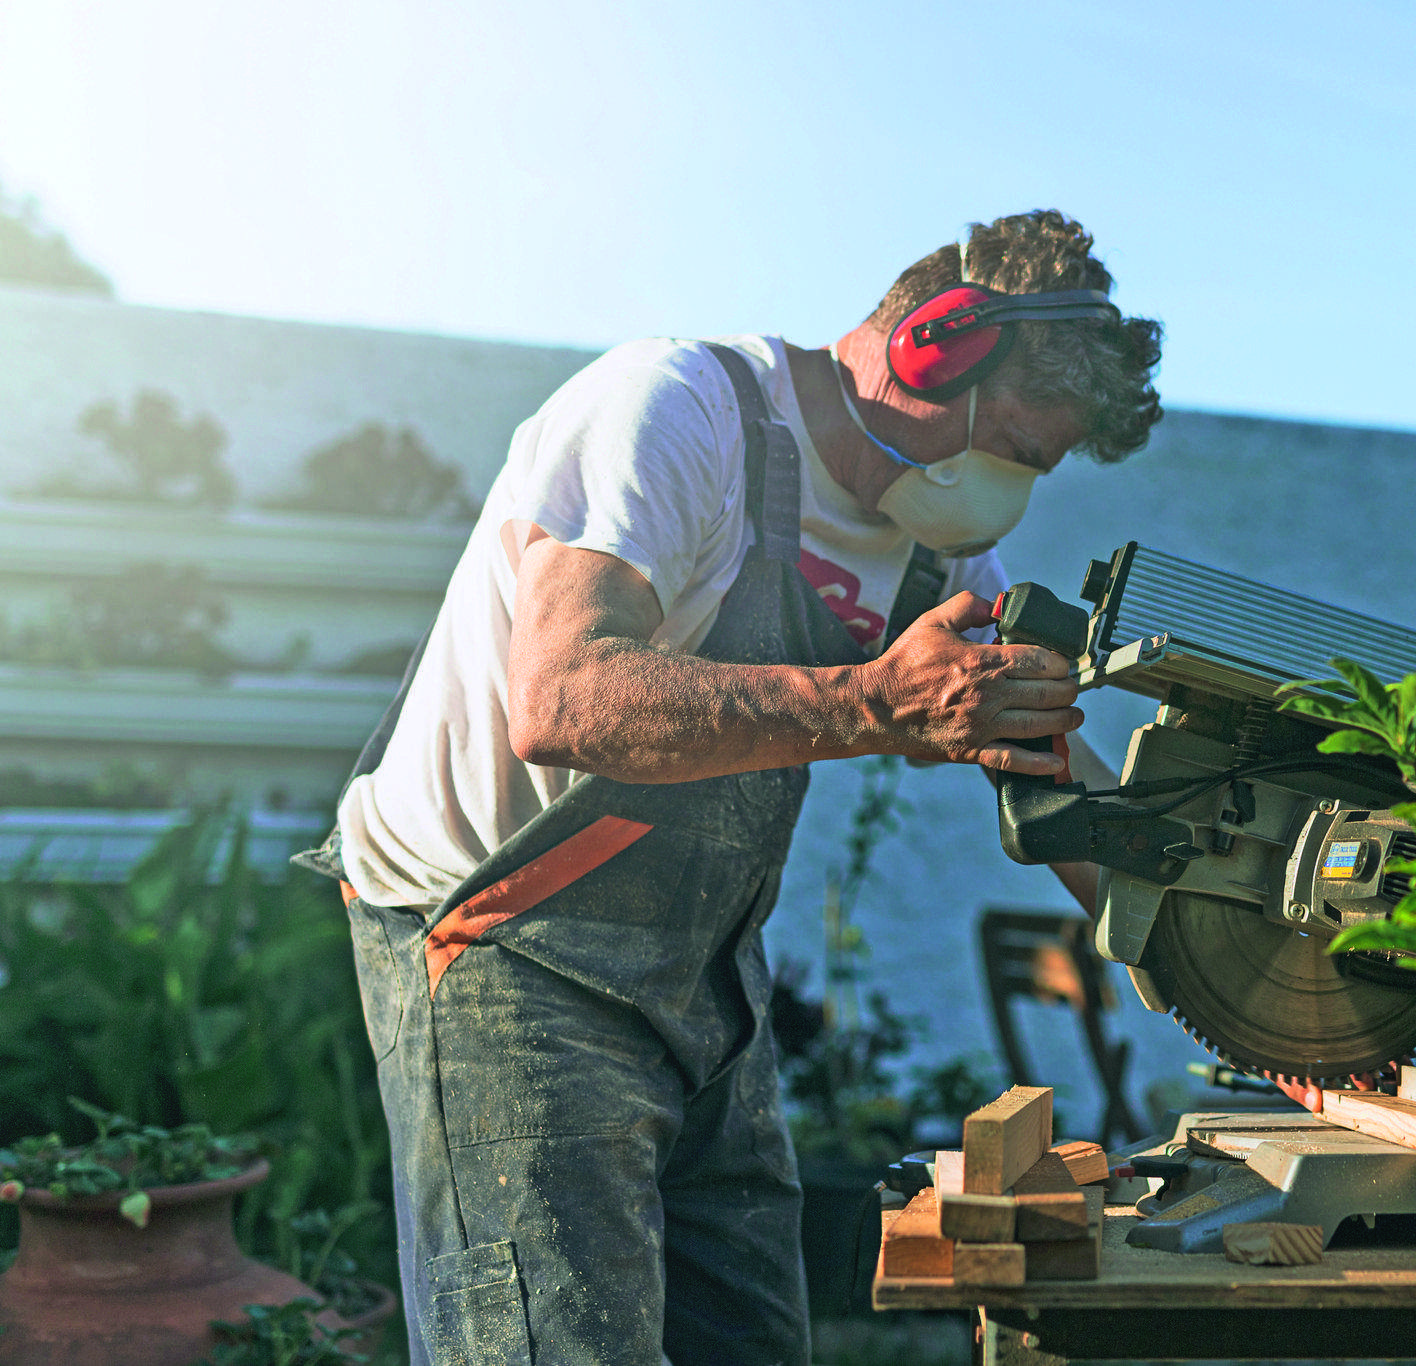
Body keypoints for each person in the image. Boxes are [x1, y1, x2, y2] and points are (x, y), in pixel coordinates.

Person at [302, 209, 1163, 1365]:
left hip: (705, 970)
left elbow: (1041, 757)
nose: (1009, 489)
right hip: (503, 939)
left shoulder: (935, 543)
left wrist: (1209, 967)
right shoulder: (676, 415)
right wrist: (873, 703)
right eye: (1011, 445)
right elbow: (562, 698)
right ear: (933, 346)